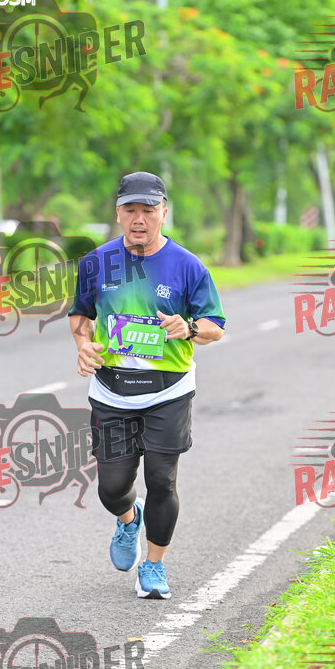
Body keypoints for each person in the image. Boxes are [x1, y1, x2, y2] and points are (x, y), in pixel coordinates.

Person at [68, 172, 225, 599]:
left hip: (168, 390)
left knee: (162, 480)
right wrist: (83, 345)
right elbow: (80, 314)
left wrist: (189, 328)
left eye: (149, 210)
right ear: (118, 214)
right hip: (111, 389)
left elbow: (215, 325)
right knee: (111, 487)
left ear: (164, 213)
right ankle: (127, 519)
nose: (140, 219)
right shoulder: (96, 263)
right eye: (131, 210)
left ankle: (153, 566)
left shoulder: (187, 265)